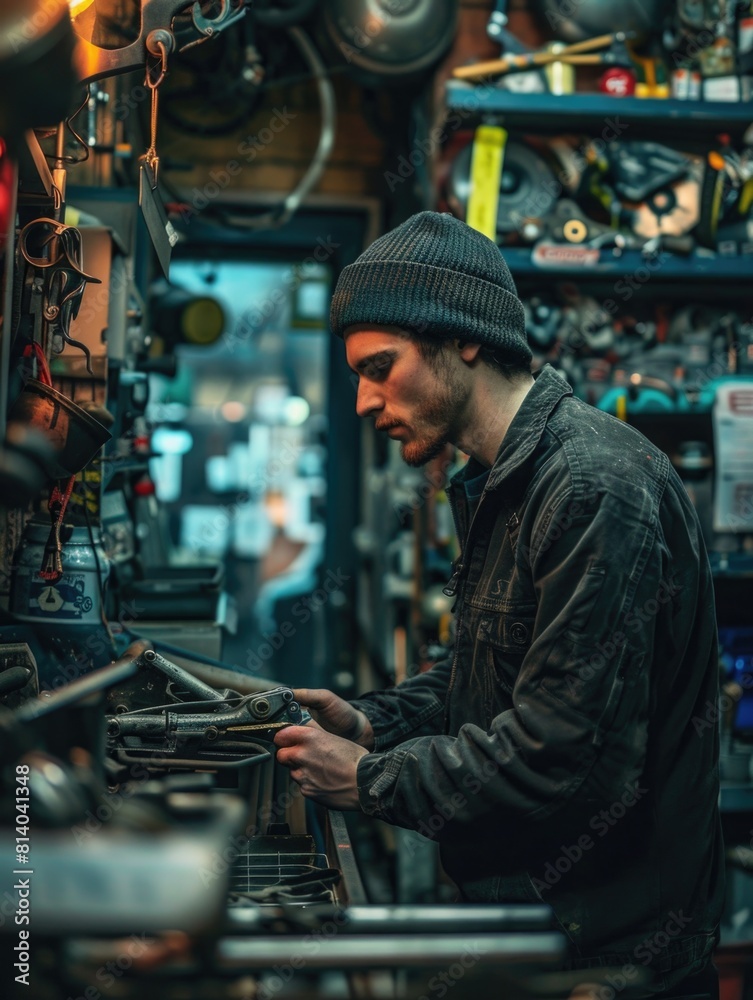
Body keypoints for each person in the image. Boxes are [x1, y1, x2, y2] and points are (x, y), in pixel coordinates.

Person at [274, 211, 725, 996]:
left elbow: (563, 758)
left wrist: (372, 777)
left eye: (380, 366)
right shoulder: (500, 482)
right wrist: (377, 721)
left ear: (464, 340)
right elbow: (498, 675)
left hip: (607, 962)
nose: (361, 401)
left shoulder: (589, 488)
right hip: (532, 931)